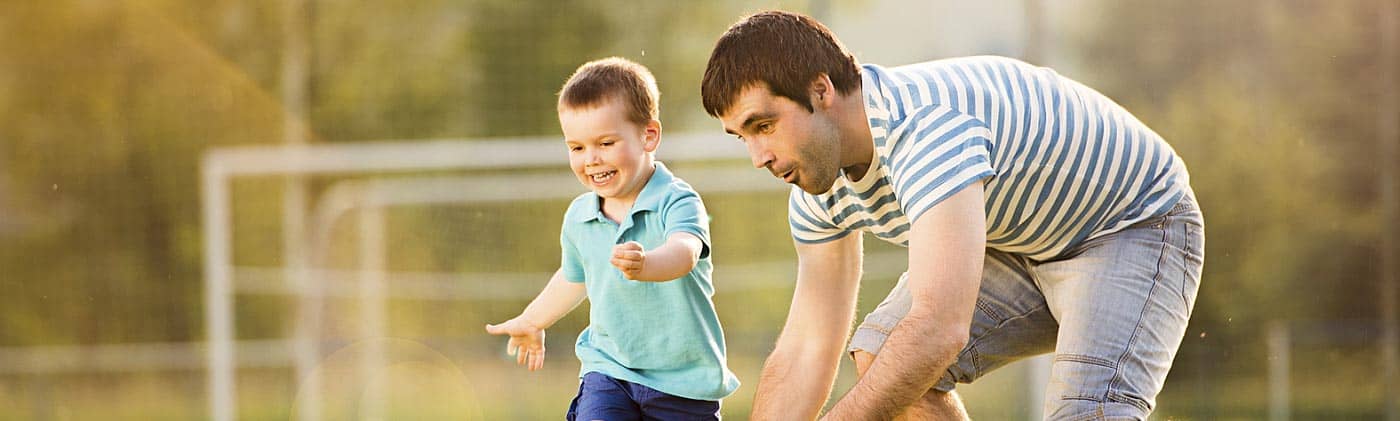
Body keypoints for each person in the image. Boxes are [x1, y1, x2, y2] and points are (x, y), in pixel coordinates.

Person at [700, 10, 1204, 420]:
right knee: (885, 360)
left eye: (763, 125)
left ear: (821, 90)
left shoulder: (926, 130)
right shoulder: (815, 183)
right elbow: (806, 347)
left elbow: (940, 328)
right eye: (743, 136)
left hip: (1132, 225)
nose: (757, 156)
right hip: (1022, 242)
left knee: (1086, 413)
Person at [486, 57, 739, 420]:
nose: (591, 159)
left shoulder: (677, 200)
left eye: (605, 143)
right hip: (610, 368)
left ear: (648, 135)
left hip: (683, 381)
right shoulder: (580, 216)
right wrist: (532, 319)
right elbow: (574, 277)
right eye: (577, 148)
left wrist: (647, 264)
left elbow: (685, 252)